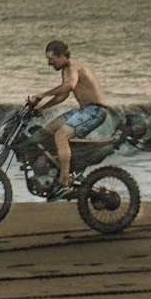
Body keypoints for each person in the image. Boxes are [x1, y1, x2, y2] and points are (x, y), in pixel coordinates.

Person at [29, 39, 108, 200]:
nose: (49, 63)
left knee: (61, 135)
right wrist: (43, 108)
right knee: (48, 130)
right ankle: (56, 166)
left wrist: (42, 95)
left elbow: (69, 86)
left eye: (51, 59)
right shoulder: (66, 70)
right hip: (85, 110)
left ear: (61, 56)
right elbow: (63, 95)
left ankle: (64, 180)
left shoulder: (72, 68)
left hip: (95, 111)